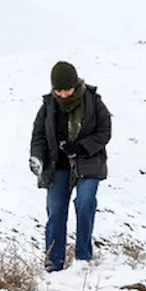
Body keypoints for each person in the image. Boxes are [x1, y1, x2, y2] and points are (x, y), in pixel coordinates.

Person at [29, 60, 113, 272]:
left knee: (85, 203)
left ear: (76, 84)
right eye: (59, 90)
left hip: (88, 163)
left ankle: (83, 259)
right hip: (57, 167)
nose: (64, 94)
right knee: (56, 213)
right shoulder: (47, 107)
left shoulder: (93, 101)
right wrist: (37, 158)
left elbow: (104, 131)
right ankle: (53, 263)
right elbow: (38, 136)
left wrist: (81, 147)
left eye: (67, 89)